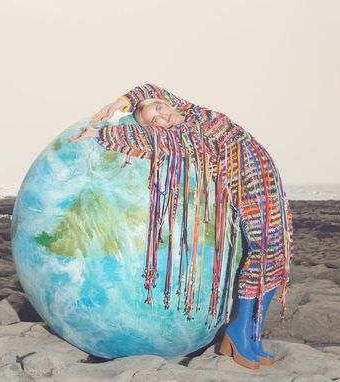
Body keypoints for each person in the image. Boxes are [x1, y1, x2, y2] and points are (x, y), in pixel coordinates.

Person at [69, 83, 294, 369]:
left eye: (161, 109)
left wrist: (121, 102)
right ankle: (239, 334)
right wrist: (98, 133)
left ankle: (252, 335)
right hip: (250, 191)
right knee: (263, 255)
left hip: (269, 179)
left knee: (278, 257)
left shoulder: (191, 112)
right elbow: (139, 139)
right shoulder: (180, 136)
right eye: (156, 120)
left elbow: (152, 88)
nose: (163, 117)